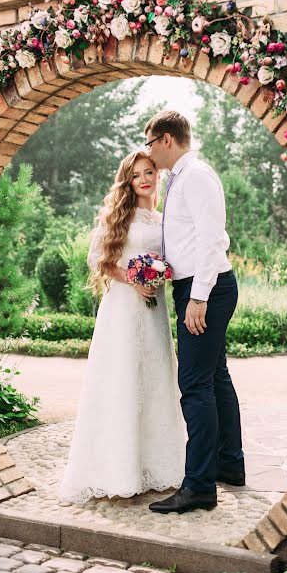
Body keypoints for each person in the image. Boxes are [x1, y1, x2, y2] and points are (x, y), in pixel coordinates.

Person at [58, 150, 185, 504]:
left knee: (156, 378)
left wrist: (160, 274)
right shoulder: (119, 215)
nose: (145, 179)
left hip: (153, 307)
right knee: (122, 380)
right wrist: (133, 278)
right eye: (136, 175)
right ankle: (117, 469)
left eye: (149, 172)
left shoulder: (164, 218)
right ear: (127, 181)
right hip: (123, 309)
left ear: (157, 176)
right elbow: (98, 259)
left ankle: (156, 467)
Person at [145, 111, 245, 515]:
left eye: (150, 142)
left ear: (167, 139)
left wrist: (198, 298)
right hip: (198, 286)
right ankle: (229, 465)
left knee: (195, 386)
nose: (148, 152)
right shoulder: (181, 178)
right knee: (215, 377)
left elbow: (210, 240)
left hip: (206, 288)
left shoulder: (197, 176)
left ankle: (199, 485)